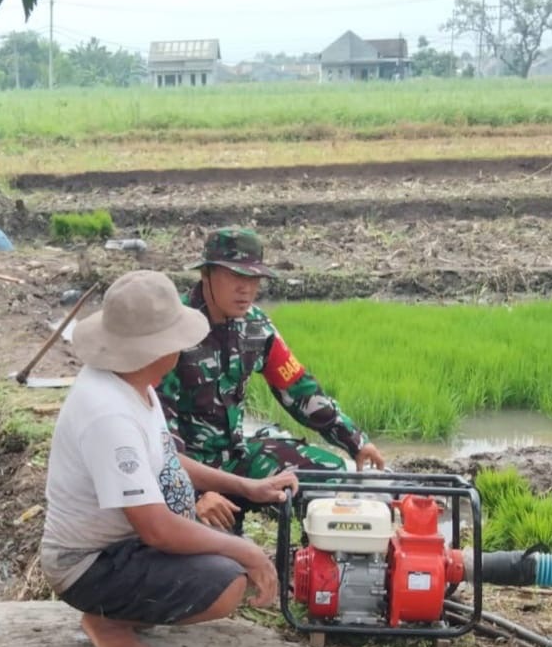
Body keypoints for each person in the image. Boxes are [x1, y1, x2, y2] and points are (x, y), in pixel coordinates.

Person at [39, 270, 298, 647]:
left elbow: (166, 458)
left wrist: (247, 485)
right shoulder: (109, 415)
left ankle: (123, 609)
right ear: (156, 349)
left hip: (124, 544)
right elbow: (156, 529)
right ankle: (107, 620)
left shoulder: (135, 383)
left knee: (223, 551)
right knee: (228, 583)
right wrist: (248, 551)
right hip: (88, 563)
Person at [157, 226, 385, 531]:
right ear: (207, 274)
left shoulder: (256, 327)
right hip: (189, 469)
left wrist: (354, 441)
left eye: (253, 279)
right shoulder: (175, 329)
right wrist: (193, 492)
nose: (246, 289)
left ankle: (318, 563)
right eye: (236, 276)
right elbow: (157, 435)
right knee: (214, 554)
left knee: (327, 472)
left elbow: (299, 389)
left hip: (237, 457)